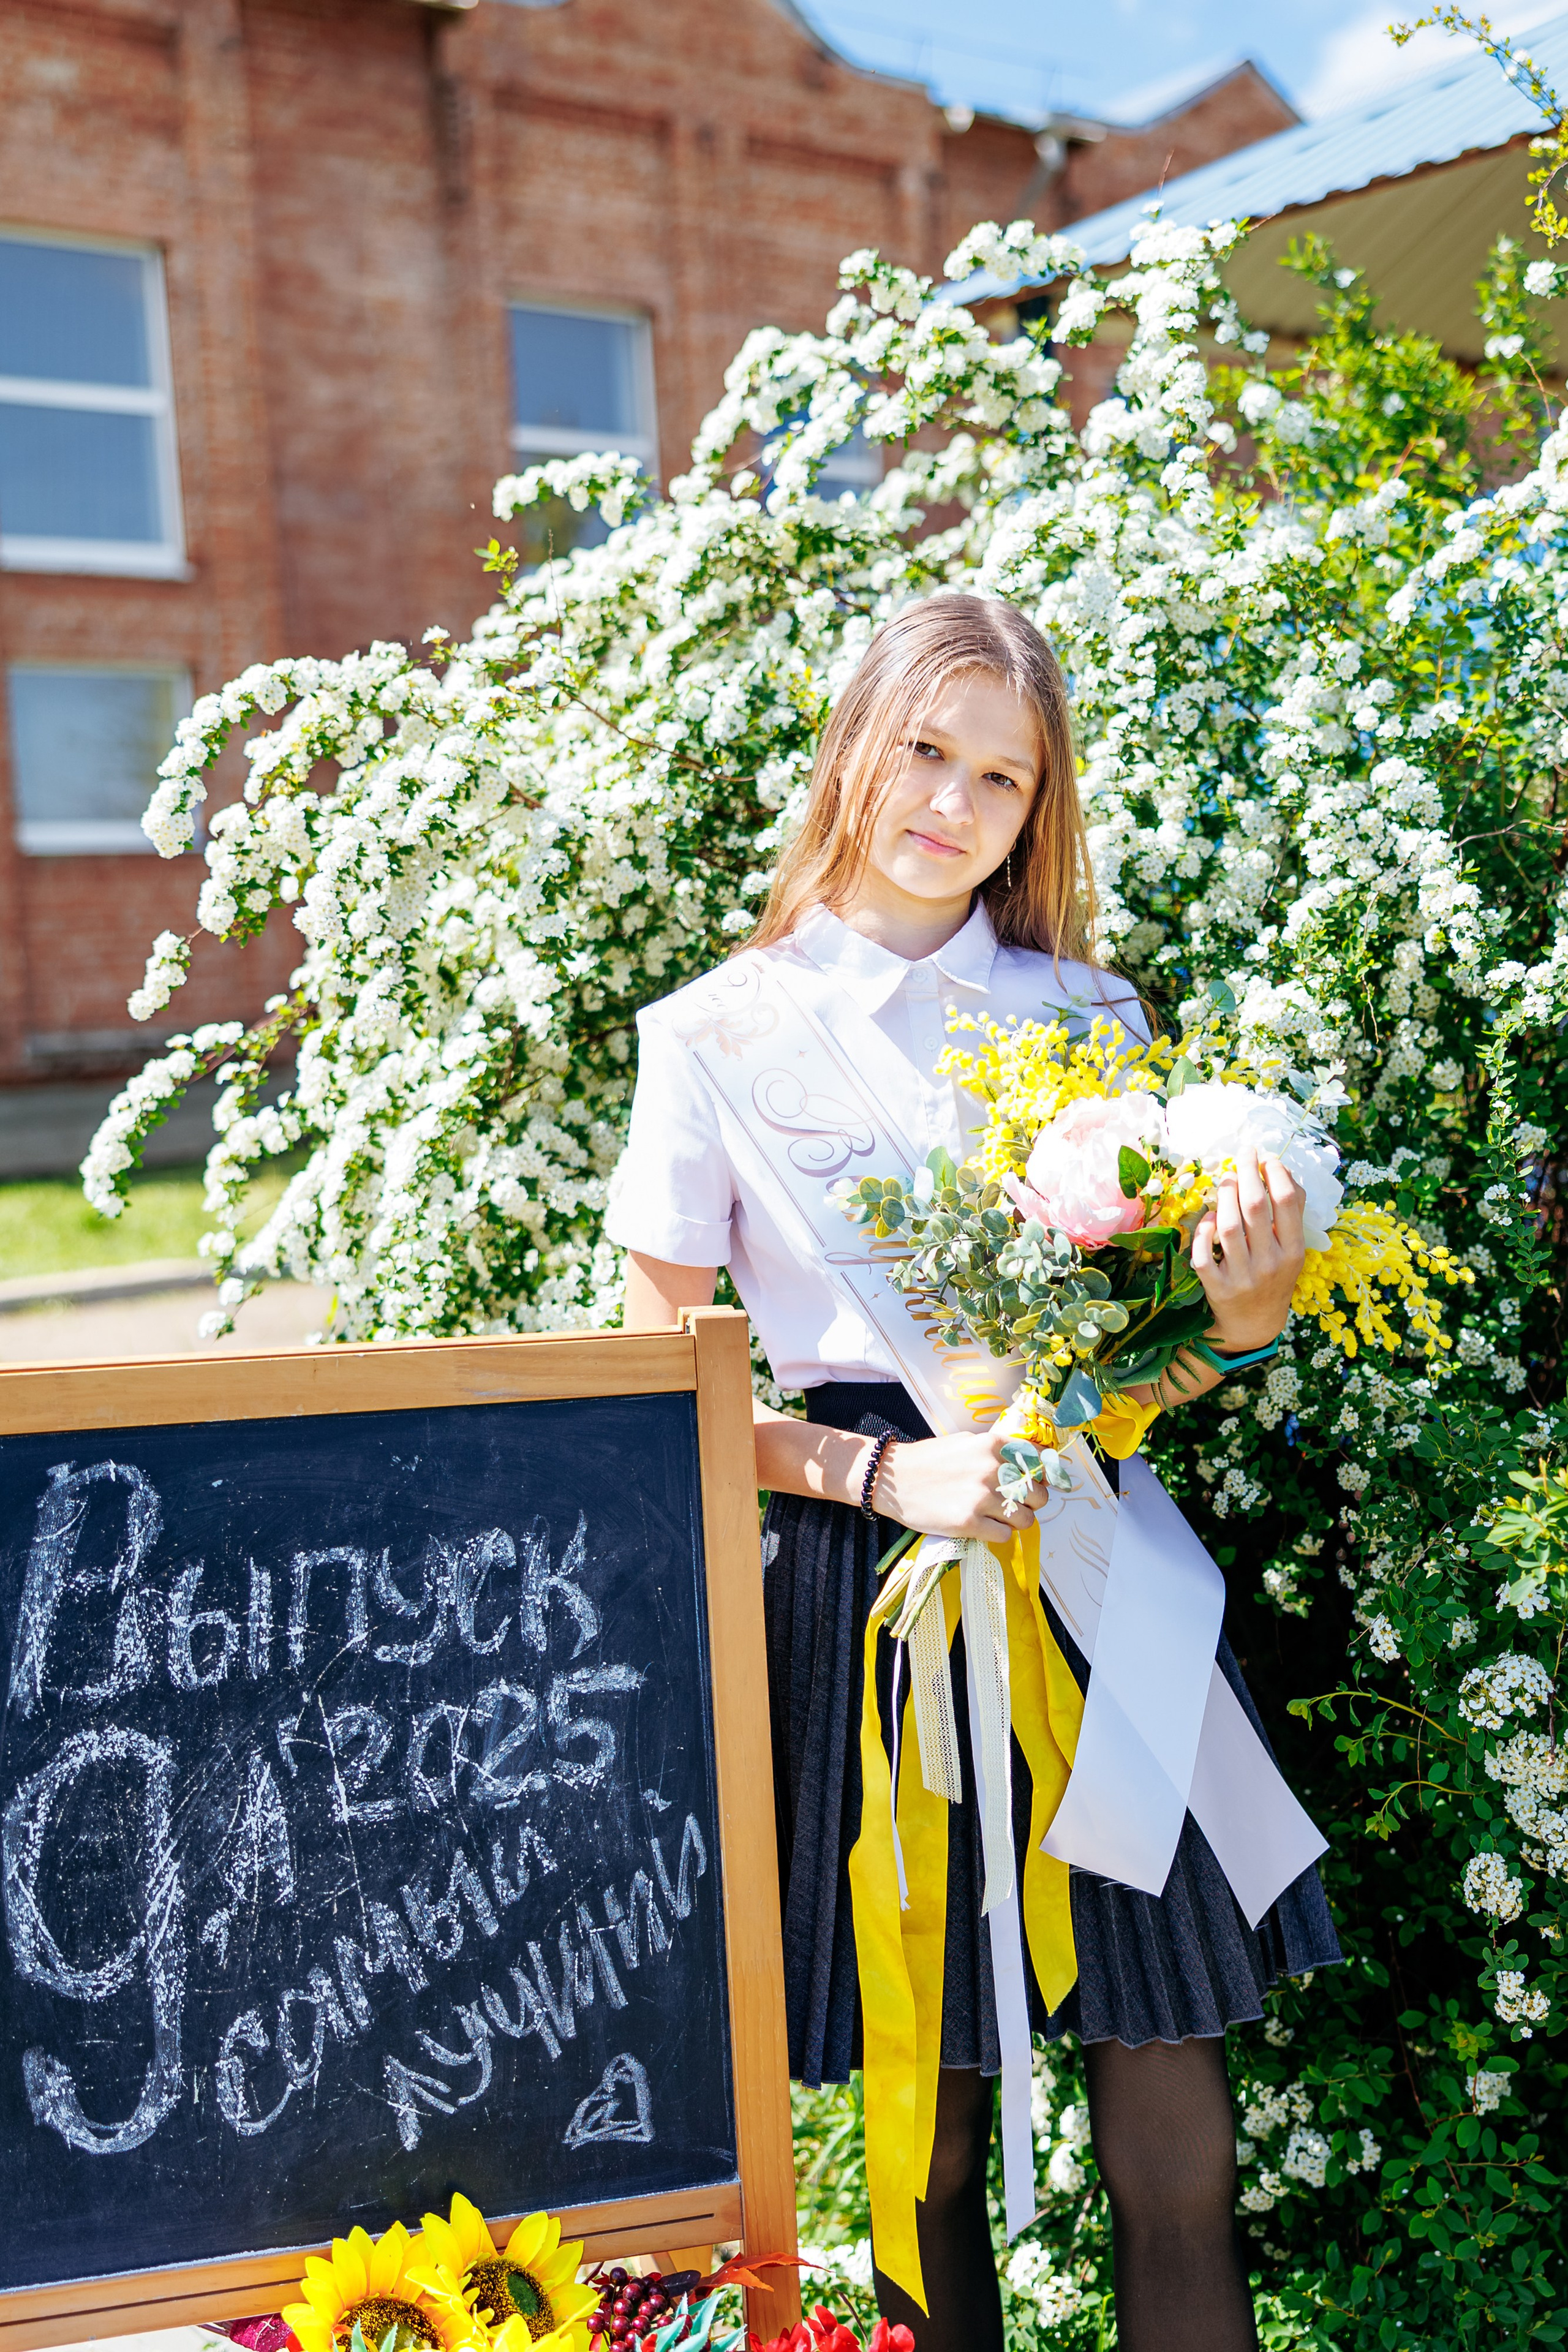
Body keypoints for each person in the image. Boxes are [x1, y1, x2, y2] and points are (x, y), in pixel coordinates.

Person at [609, 592, 1340, 2352]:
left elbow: (1141, 1372)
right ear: (855, 738)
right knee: (925, 2132)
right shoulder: (711, 1035)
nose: (953, 802)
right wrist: (884, 1482)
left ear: (1039, 810)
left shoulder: (1092, 1015)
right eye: (926, 750)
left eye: (1001, 778)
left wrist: (1244, 1324)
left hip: (1092, 1584)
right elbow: (660, 1401)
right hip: (867, 1603)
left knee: (1174, 2122)